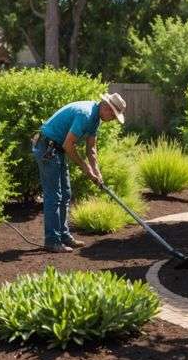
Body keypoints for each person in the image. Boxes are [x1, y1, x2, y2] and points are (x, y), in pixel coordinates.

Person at [32, 92, 127, 253]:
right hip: (47, 147)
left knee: (66, 194)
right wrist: (86, 169)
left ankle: (64, 235)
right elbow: (69, 145)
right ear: (107, 108)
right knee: (54, 196)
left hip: (56, 149)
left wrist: (96, 172)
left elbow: (91, 149)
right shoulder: (85, 114)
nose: (113, 119)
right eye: (113, 115)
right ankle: (52, 241)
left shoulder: (96, 119)